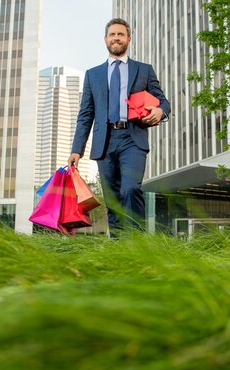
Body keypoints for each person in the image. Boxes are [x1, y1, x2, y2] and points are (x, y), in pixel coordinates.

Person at [68, 18, 170, 236]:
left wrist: (161, 111)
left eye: (121, 34)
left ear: (128, 39)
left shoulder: (143, 70)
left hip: (132, 139)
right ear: (106, 39)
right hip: (104, 142)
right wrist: (77, 149)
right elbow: (85, 114)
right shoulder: (93, 74)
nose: (116, 38)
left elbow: (163, 101)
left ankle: (138, 242)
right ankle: (118, 246)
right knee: (112, 200)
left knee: (130, 189)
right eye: (112, 34)